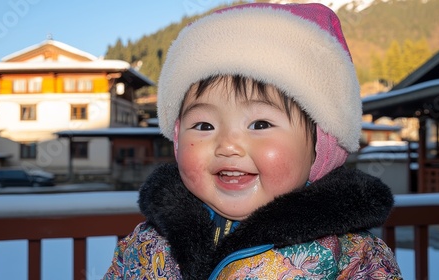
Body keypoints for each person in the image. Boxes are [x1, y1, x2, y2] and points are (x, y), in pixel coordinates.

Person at [103, 3, 402, 279]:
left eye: (260, 124)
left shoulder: (354, 258)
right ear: (178, 141)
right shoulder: (147, 246)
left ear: (319, 146)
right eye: (204, 125)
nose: (228, 145)